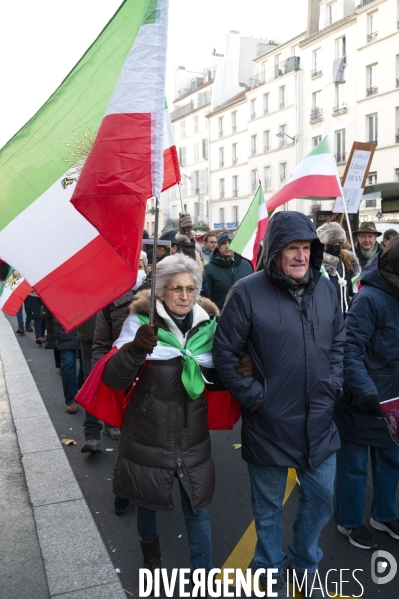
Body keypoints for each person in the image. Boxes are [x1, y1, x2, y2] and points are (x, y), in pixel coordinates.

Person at [212, 211, 345, 598]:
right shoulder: (246, 292)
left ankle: (304, 562)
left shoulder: (325, 289)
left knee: (321, 499)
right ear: (274, 253)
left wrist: (334, 384)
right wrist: (257, 400)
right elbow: (225, 355)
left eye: (306, 248)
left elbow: (339, 341)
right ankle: (268, 568)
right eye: (292, 248)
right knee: (267, 508)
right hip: (269, 422)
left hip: (320, 419)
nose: (301, 256)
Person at [102, 253, 252, 589]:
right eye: (175, 289)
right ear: (160, 292)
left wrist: (242, 367)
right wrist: (135, 350)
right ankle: (151, 558)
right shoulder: (140, 325)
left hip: (192, 438)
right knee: (147, 504)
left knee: (198, 509)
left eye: (190, 289)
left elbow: (218, 378)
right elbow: (113, 379)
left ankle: (203, 575)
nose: (184, 295)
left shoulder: (210, 328)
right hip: (147, 435)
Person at [334, 237, 399, 549]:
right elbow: (349, 349)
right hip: (363, 397)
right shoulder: (369, 298)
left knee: (392, 458)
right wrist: (363, 390)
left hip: (393, 397)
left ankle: (384, 514)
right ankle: (349, 521)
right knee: (354, 466)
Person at [316, 221, 359, 315]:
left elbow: (354, 292)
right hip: (326, 317)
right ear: (323, 244)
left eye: (339, 243)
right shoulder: (316, 265)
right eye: (333, 242)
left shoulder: (348, 263)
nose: (337, 245)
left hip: (347, 317)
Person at [204, 231, 253, 311]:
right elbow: (206, 299)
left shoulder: (246, 265)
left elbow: (252, 291)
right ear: (218, 246)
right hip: (221, 318)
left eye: (230, 243)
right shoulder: (208, 269)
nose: (227, 246)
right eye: (223, 243)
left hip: (245, 316)